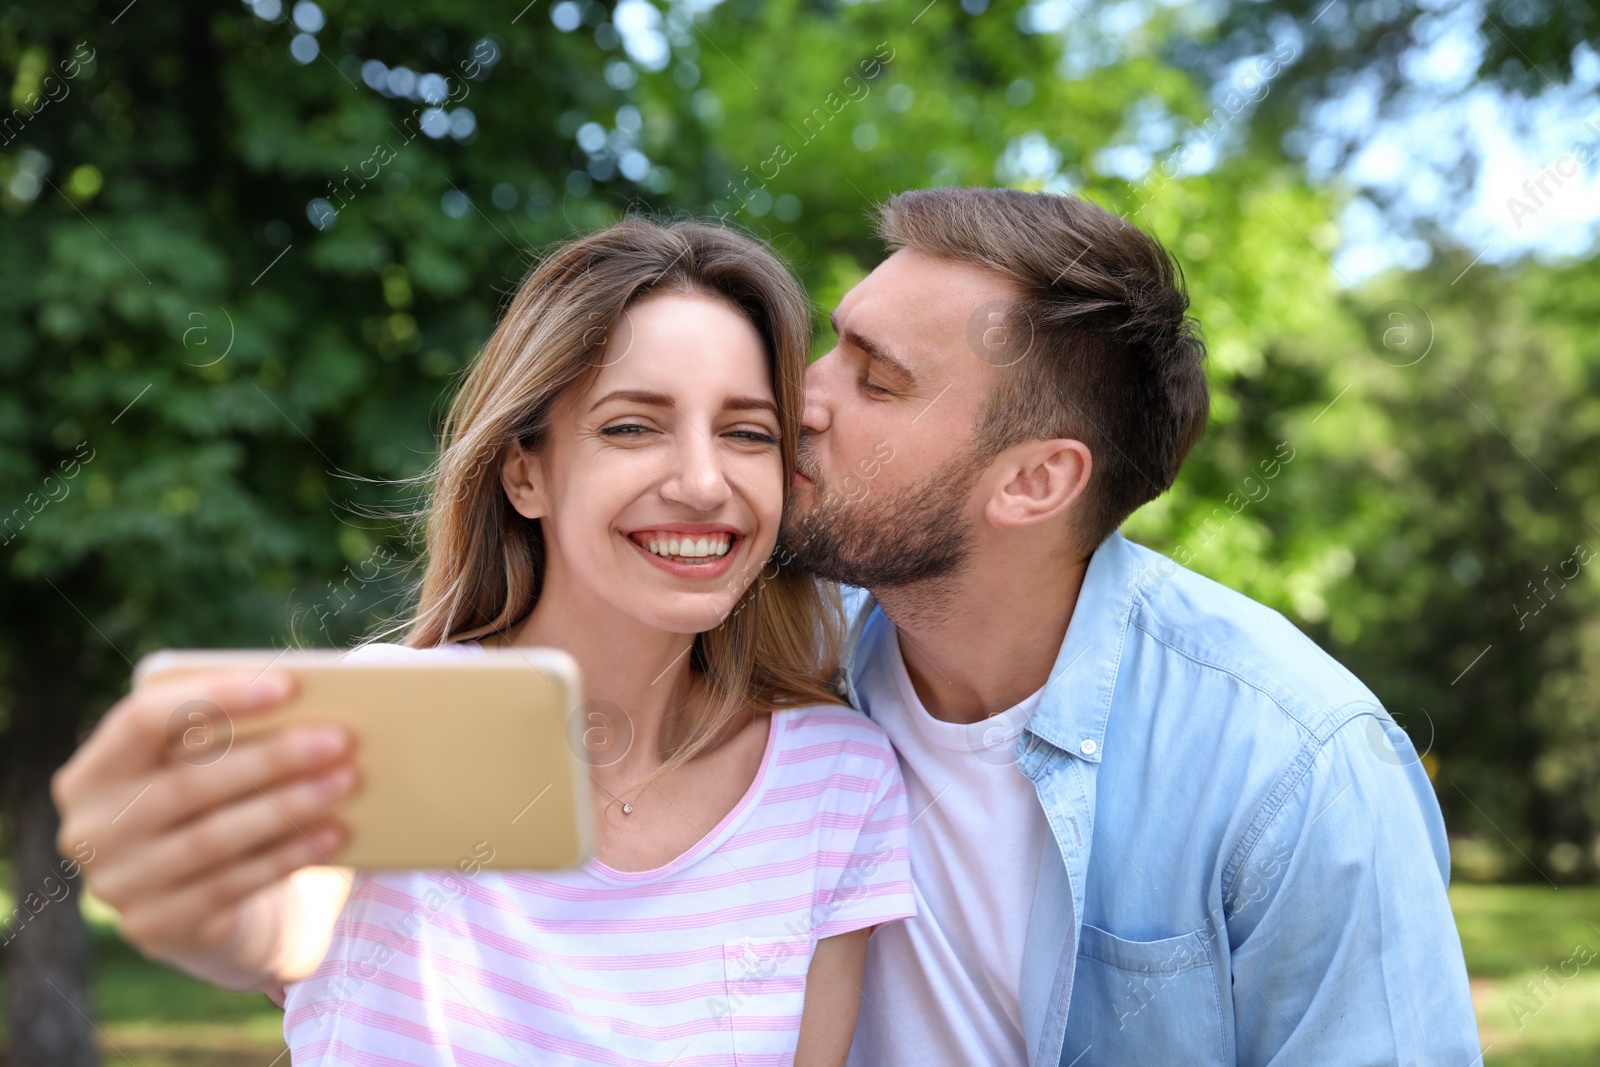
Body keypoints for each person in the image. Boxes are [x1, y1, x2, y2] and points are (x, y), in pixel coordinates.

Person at [50, 219, 915, 1065]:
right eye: (631, 426)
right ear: (525, 473)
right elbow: (277, 935)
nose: (701, 480)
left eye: (748, 433)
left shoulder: (835, 779)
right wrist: (220, 912)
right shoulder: (390, 713)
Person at [777, 187, 1482, 1065]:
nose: (797, 399)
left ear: (1035, 481)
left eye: (876, 379)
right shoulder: (776, 659)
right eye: (830, 345)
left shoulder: (1298, 767)